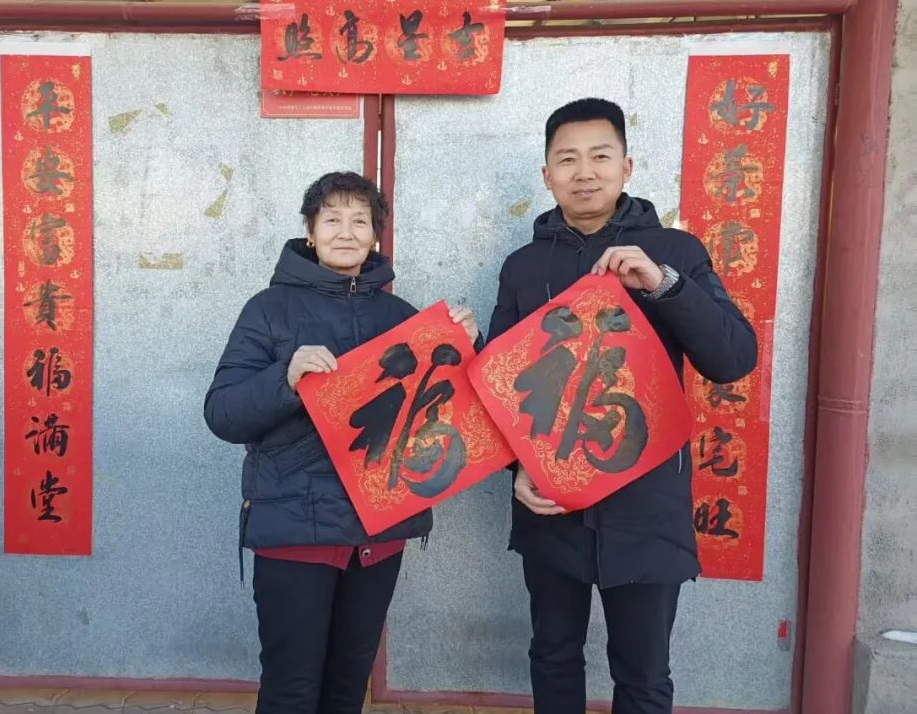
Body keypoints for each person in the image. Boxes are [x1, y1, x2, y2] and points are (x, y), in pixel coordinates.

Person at [487, 98, 757, 714]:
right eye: (567, 159)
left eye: (600, 156)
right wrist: (515, 468)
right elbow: (499, 387)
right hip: (552, 500)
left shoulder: (676, 252)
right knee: (553, 654)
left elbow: (733, 358)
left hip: (647, 504)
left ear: (627, 167)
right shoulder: (524, 267)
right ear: (547, 175)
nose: (584, 172)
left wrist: (664, 285)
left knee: (643, 673)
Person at [204, 171, 479, 714]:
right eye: (332, 219)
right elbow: (223, 413)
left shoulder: (402, 317)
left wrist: (470, 344)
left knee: (347, 688)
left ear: (376, 236)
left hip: (378, 535)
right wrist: (284, 379)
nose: (346, 231)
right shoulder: (268, 310)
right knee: (291, 689)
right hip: (295, 529)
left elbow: (455, 413)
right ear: (310, 231)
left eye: (361, 221)